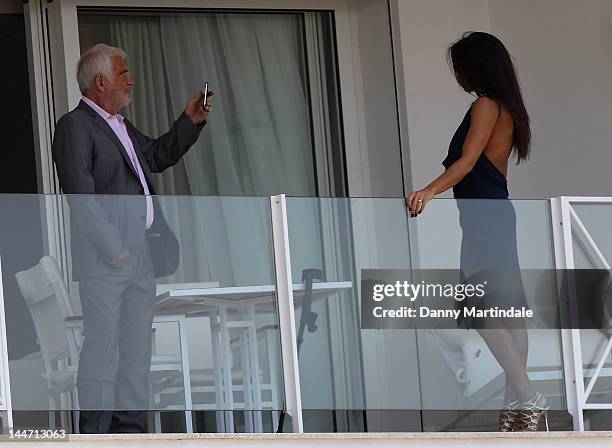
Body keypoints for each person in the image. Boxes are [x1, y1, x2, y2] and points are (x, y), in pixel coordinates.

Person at [51, 43, 213, 433]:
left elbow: (156, 156)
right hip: (109, 259)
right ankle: (94, 437)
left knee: (137, 354)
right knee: (103, 352)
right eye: (124, 74)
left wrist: (188, 122)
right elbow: (79, 195)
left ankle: (131, 436)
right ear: (101, 81)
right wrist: (115, 250)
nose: (132, 80)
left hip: (140, 255)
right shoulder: (75, 125)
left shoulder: (120, 126)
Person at [406, 32, 548, 432]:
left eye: (458, 65)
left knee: (482, 305)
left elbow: (467, 162)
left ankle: (526, 393)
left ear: (476, 66)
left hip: (485, 216)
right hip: (494, 215)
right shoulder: (508, 107)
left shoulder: (485, 105)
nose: (455, 73)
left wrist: (428, 190)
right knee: (505, 308)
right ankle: (516, 411)